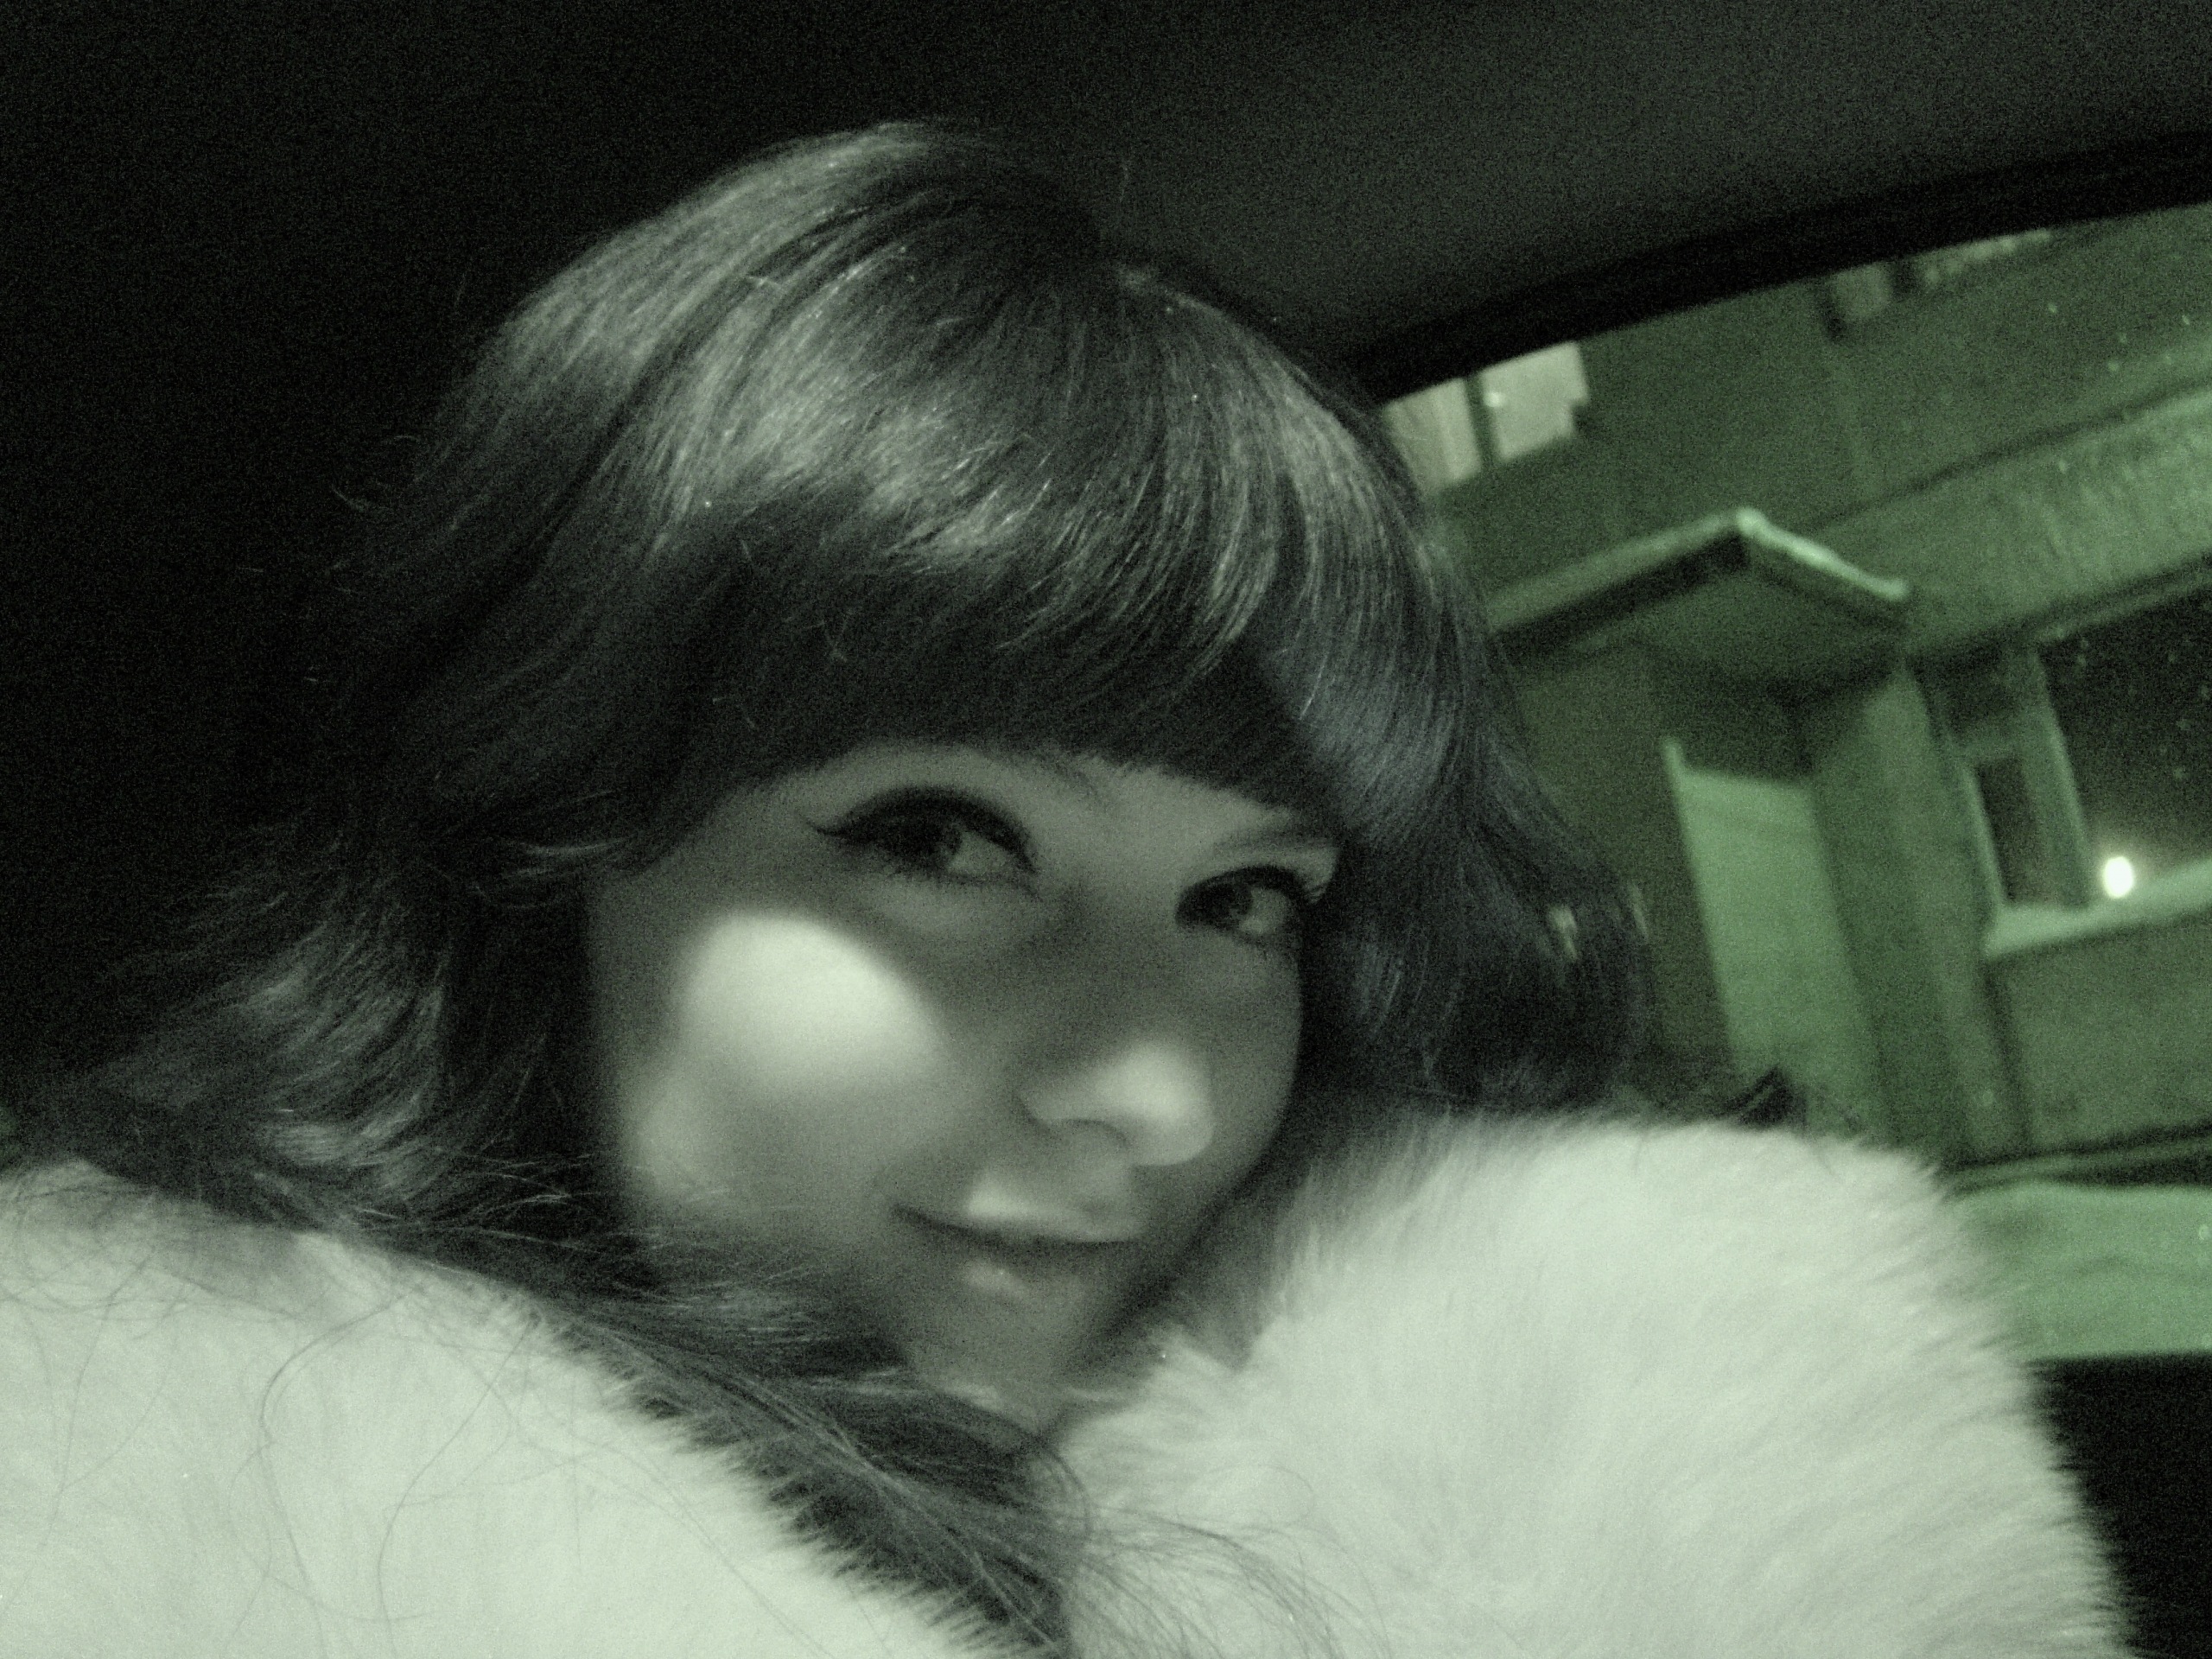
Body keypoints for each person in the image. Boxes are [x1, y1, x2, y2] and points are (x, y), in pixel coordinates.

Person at [0, 124, 2134, 1657]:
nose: (1160, 1096)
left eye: (1245, 902)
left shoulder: (1524, 1458)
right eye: (940, 841)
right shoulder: (140, 1532)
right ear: (529, 847)